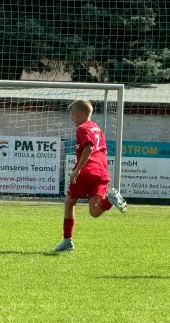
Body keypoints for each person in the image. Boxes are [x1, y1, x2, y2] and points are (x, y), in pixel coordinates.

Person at [55, 100, 127, 252]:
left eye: (73, 114)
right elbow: (104, 151)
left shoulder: (82, 128)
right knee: (94, 211)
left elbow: (89, 148)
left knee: (69, 203)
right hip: (101, 171)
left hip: (87, 170)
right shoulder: (97, 129)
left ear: (80, 114)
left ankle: (67, 241)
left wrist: (77, 170)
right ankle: (110, 199)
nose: (71, 118)